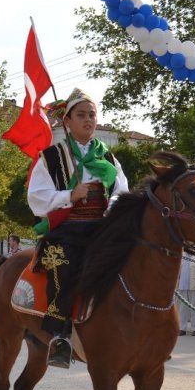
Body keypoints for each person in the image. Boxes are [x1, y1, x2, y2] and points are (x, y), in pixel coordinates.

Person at [27, 88, 129, 368]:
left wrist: (112, 207)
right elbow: (35, 197)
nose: (88, 120)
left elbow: (122, 190)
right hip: (68, 229)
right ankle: (60, 337)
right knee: (66, 266)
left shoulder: (107, 157)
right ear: (67, 121)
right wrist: (69, 196)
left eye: (92, 115)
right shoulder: (51, 156)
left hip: (102, 228)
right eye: (81, 115)